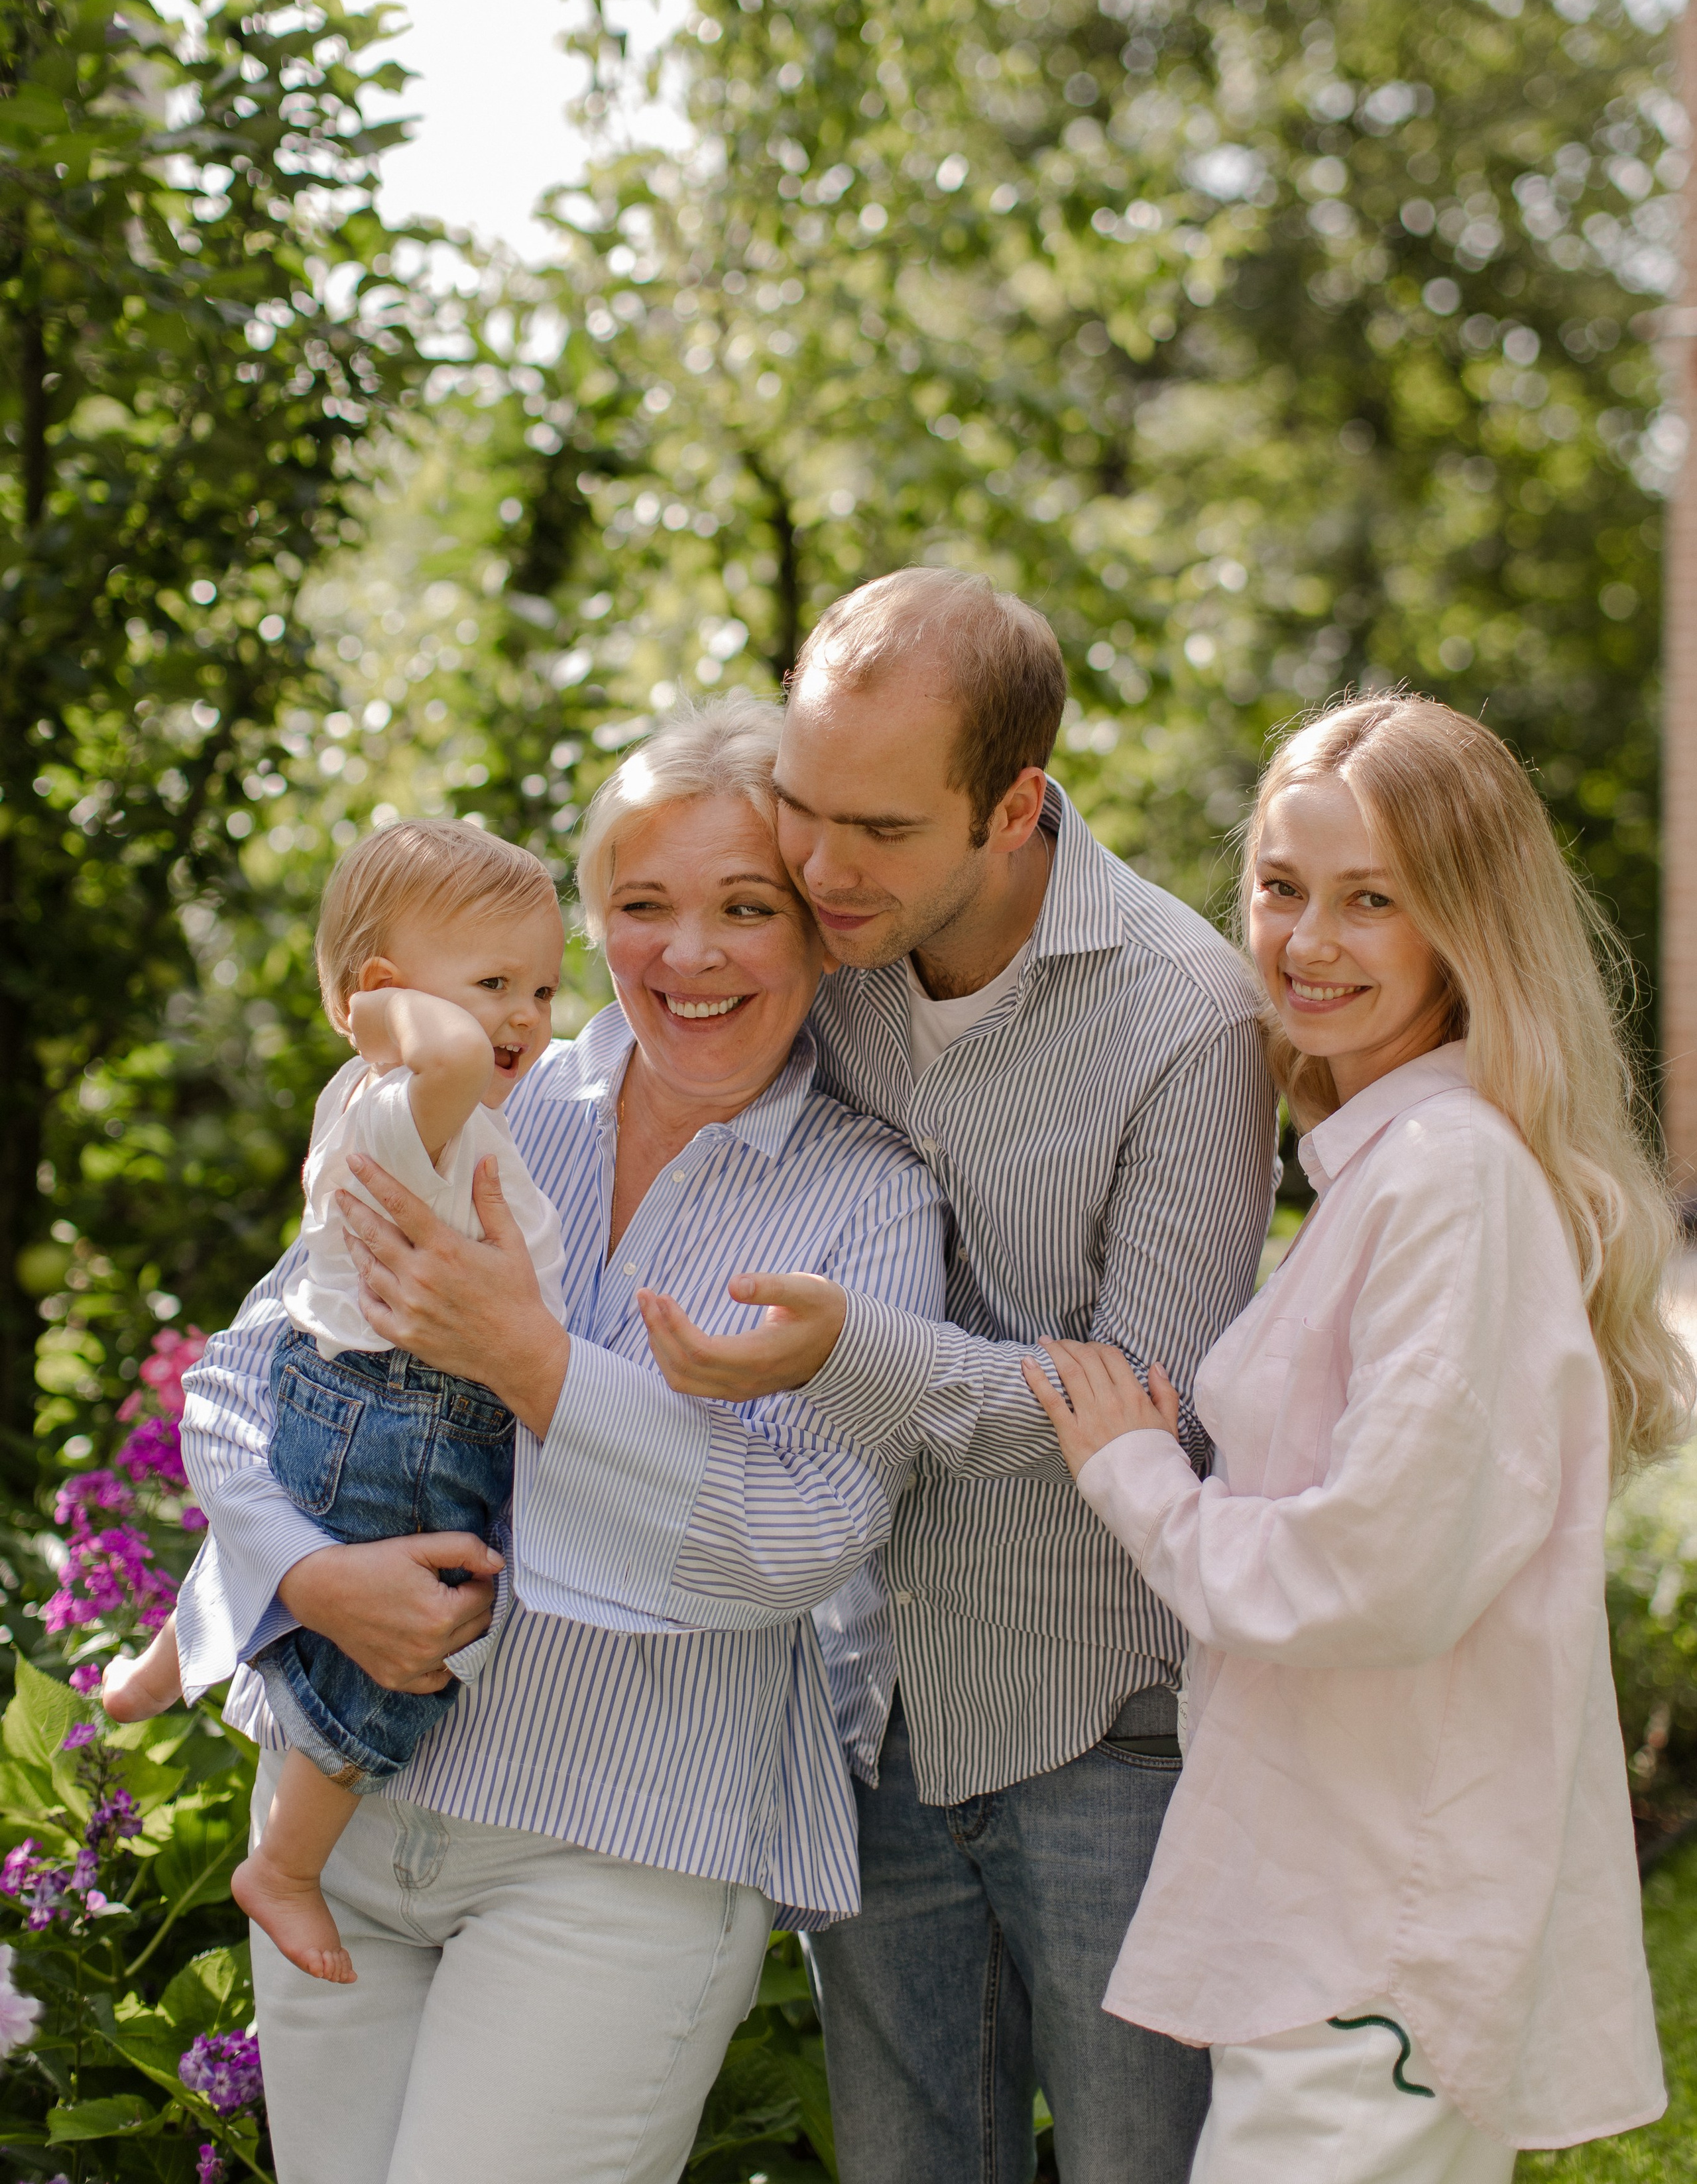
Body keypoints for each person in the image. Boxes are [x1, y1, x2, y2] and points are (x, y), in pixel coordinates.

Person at [178, 695, 1086, 2184]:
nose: (690, 953)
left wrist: (533, 1365)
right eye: (642, 906)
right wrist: (301, 1578)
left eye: (745, 906)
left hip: (616, 1856)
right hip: (341, 1816)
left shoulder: (862, 1199)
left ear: (812, 930)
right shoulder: (489, 1095)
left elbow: (790, 1543)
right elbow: (245, 1370)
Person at [638, 571, 1277, 2184]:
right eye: (801, 807)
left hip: (1102, 1721)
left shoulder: (1185, 1014)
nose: (820, 868)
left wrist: (855, 1352)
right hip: (864, 1709)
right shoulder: (822, 949)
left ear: (1013, 806)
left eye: (878, 830)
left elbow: (1151, 1405)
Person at [1024, 693, 1688, 2180]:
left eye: (1368, 901)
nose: (1305, 941)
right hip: (1331, 1895)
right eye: (1278, 888)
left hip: (1376, 1922)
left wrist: (1137, 1481)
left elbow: (1375, 1570)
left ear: (1465, 925)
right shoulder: (1389, 1166)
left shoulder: (1447, 1179)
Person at [108, 817, 570, 1984]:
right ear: (384, 1001)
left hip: (343, 1386)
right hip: (415, 1413)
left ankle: (170, 1662)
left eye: (546, 987)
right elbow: (454, 1057)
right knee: (400, 1660)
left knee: (305, 1520)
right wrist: (406, 1029)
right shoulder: (409, 1098)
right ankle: (288, 1865)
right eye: (493, 985)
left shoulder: (382, 1104)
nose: (524, 1017)